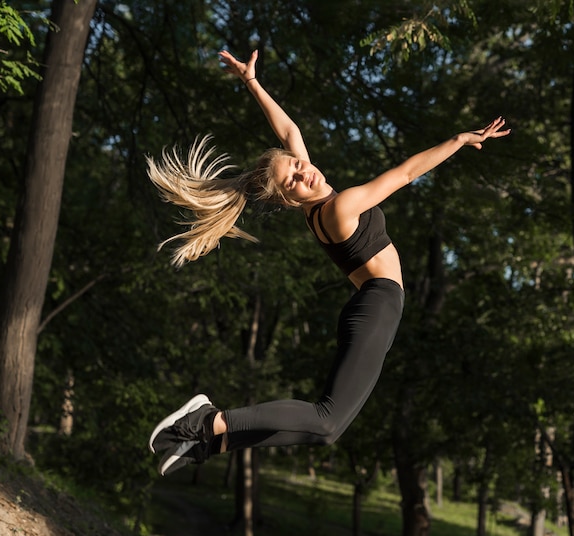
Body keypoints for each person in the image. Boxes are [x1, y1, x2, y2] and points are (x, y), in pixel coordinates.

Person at [146, 49, 511, 476]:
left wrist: (251, 81)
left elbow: (289, 129)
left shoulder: (314, 204)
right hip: (377, 304)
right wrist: (459, 140)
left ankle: (209, 443)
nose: (305, 172)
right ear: (287, 198)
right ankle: (207, 422)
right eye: (294, 180)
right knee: (326, 421)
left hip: (375, 307)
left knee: (327, 426)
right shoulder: (342, 208)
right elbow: (405, 173)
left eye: (299, 165)